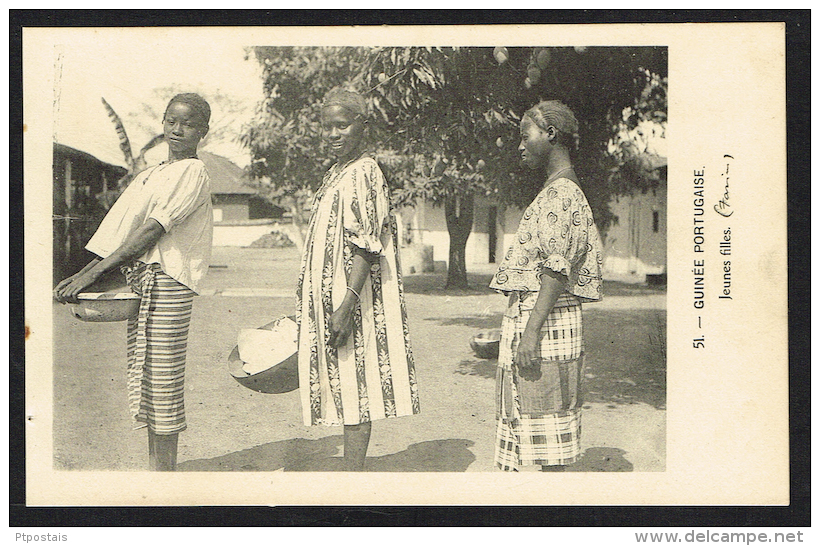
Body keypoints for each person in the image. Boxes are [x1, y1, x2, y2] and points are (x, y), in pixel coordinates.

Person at [54, 93, 213, 471]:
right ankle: (157, 471)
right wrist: (80, 272)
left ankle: (164, 475)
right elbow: (118, 229)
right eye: (171, 120)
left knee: (163, 381)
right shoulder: (152, 173)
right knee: (145, 376)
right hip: (145, 282)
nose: (177, 129)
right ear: (162, 122)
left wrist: (93, 273)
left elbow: (151, 231)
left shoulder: (193, 172)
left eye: (188, 124)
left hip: (171, 283)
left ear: (202, 132)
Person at [295, 88, 420, 471]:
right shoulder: (337, 173)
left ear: (362, 126)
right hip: (336, 298)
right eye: (327, 126)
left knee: (355, 385)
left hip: (351, 296)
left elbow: (367, 245)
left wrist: (346, 303)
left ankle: (352, 480)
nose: (333, 134)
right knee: (343, 384)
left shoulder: (365, 171)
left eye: (342, 125)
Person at [489, 100, 603, 472]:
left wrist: (530, 334)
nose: (520, 146)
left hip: (546, 323)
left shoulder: (562, 195)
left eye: (526, 136)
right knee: (539, 428)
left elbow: (555, 272)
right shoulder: (557, 191)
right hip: (543, 319)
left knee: (547, 437)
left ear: (550, 134)